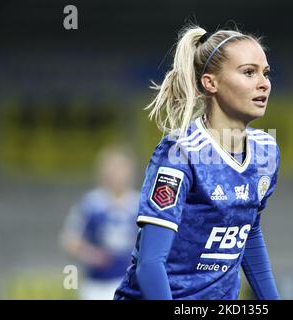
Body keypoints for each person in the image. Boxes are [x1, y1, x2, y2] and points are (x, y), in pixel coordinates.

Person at [114, 24, 280, 300]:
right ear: (210, 82)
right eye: (249, 72)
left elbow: (247, 233)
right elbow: (150, 265)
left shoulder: (266, 151)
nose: (263, 83)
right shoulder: (180, 153)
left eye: (266, 73)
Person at [60, 146, 140, 300]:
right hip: (96, 285)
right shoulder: (90, 204)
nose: (117, 174)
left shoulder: (139, 203)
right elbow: (69, 240)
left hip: (129, 282)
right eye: (113, 168)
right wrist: (91, 254)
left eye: (122, 168)